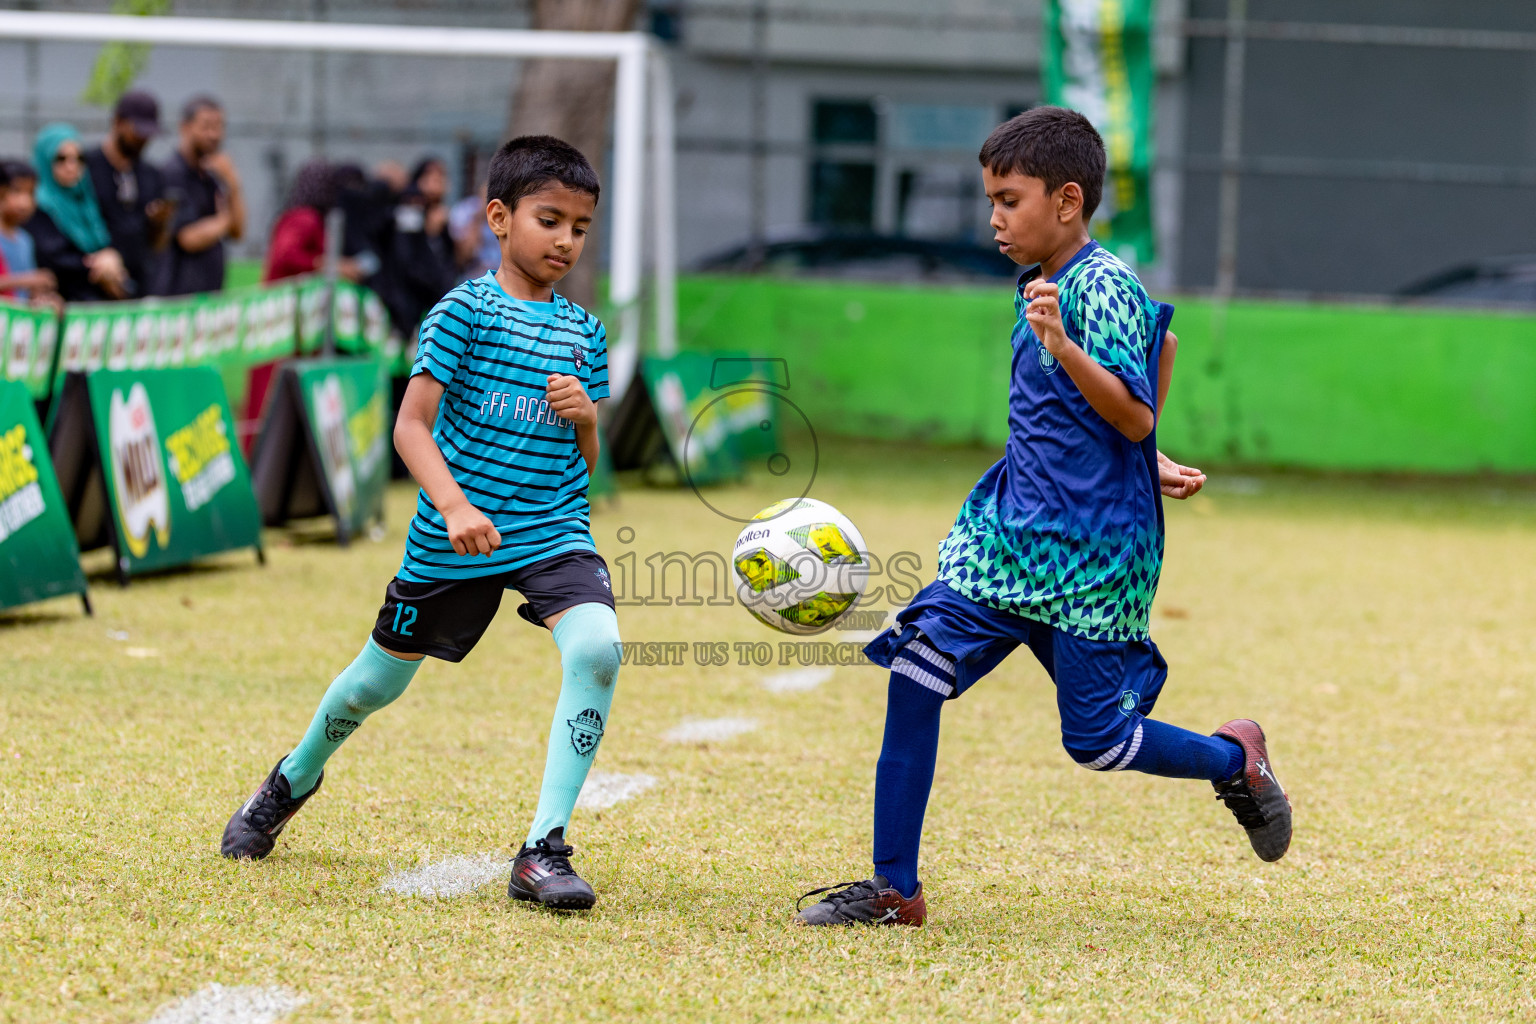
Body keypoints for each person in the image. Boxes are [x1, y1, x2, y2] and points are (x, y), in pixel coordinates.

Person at [794, 107, 1290, 928]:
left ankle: (1234, 761)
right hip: (1009, 537)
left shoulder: (1100, 286)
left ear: (1066, 201)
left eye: (1008, 198)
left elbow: (1132, 404)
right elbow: (1152, 363)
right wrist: (1142, 454)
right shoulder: (1038, 282)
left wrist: (1126, 427)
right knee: (916, 673)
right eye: (989, 197)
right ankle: (894, 890)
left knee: (1095, 741)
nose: (993, 216)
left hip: (1092, 553)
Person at [221, 136, 621, 913]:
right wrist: (456, 504)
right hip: (453, 535)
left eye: (580, 226)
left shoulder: (586, 333)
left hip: (553, 530)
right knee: (374, 683)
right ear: (499, 219)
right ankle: (291, 779)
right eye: (550, 220)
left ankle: (543, 851)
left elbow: (587, 461)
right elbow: (411, 427)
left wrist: (586, 420)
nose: (566, 240)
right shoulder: (462, 311)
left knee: (599, 648)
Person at [25, 123, 130, 302]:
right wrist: (96, 265)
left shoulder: (85, 200)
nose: (71, 166)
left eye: (79, 159)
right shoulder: (36, 205)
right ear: (45, 159)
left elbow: (104, 240)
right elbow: (52, 258)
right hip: (57, 304)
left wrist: (111, 258)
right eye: (61, 158)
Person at [158, 95, 244, 295]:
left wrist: (233, 183)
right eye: (206, 126)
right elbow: (188, 238)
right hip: (178, 299)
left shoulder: (213, 177)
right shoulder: (173, 173)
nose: (214, 134)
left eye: (219, 126)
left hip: (209, 298)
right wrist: (225, 220)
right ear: (185, 127)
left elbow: (238, 231)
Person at [85, 89, 168, 297]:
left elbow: (155, 243)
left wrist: (159, 222)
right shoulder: (86, 167)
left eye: (148, 134)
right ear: (117, 122)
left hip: (137, 289)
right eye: (138, 131)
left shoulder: (150, 174)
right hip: (93, 287)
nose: (143, 139)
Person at [262, 159, 362, 283]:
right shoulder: (305, 218)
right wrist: (328, 265)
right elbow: (286, 256)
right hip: (286, 295)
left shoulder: (302, 216)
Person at [0, 160, 58, 300]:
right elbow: (26, 282)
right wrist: (27, 280)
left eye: (31, 193)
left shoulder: (25, 241)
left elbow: (26, 295)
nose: (25, 202)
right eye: (17, 191)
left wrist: (44, 297)